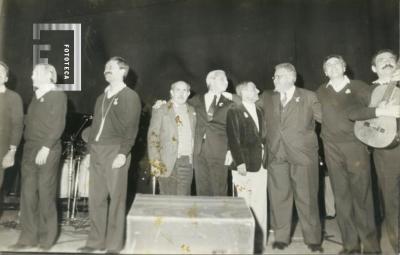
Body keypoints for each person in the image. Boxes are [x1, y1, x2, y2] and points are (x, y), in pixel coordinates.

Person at [316, 55, 394, 254]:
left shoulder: (359, 86)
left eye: (336, 63)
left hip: (356, 147)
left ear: (344, 67)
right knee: (341, 199)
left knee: (363, 198)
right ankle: (350, 246)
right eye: (329, 65)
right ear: (325, 71)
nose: (333, 67)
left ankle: (371, 248)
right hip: (331, 149)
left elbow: (379, 106)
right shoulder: (320, 91)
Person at [78, 57, 141, 254]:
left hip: (115, 150)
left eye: (111, 67)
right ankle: (95, 241)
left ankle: (114, 244)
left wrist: (123, 153)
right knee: (96, 198)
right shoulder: (101, 97)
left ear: (123, 71)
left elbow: (131, 128)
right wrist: (90, 152)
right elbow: (96, 126)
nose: (106, 70)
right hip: (97, 151)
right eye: (105, 67)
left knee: (117, 199)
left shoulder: (130, 96)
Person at [259, 63, 323, 252]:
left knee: (307, 199)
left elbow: (325, 119)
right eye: (274, 76)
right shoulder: (267, 97)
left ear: (291, 78)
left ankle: (313, 240)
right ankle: (281, 238)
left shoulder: (309, 96)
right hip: (276, 154)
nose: (274, 80)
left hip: (303, 156)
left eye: (278, 76)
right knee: (279, 197)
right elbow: (246, 104)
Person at [10, 63, 67, 251]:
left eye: (35, 73)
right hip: (30, 149)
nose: (31, 76)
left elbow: (57, 124)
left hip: (47, 150)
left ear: (48, 75)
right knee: (27, 194)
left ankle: (46, 239)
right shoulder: (36, 97)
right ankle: (28, 237)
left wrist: (46, 147)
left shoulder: (58, 96)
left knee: (45, 193)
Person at [226, 81, 268, 248]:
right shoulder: (234, 111)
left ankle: (259, 243)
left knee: (260, 203)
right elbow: (233, 139)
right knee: (243, 203)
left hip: (261, 165)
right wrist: (239, 162)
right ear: (243, 92)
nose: (258, 89)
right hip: (243, 166)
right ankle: (242, 242)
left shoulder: (260, 110)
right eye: (253, 88)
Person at [369, 49, 400, 253]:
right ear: (374, 68)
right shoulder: (366, 90)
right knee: (391, 200)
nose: (387, 62)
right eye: (381, 60)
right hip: (387, 152)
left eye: (391, 59)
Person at [189, 70, 234, 196]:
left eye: (226, 80)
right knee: (202, 189)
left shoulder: (230, 104)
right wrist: (164, 103)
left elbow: (233, 129)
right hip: (198, 150)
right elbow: (178, 104)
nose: (226, 82)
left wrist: (230, 150)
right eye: (222, 79)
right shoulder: (196, 100)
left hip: (219, 150)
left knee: (219, 189)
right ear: (211, 81)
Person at [148, 81, 196, 195]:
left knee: (184, 203)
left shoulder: (192, 111)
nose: (181, 93)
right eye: (178, 90)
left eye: (184, 90)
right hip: (165, 162)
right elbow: (153, 137)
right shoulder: (161, 109)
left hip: (186, 162)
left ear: (188, 93)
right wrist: (155, 162)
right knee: (167, 203)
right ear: (171, 92)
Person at [0, 61, 23, 219]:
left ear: (6, 78)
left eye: (0, 72)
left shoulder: (13, 98)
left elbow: (17, 126)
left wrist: (11, 151)